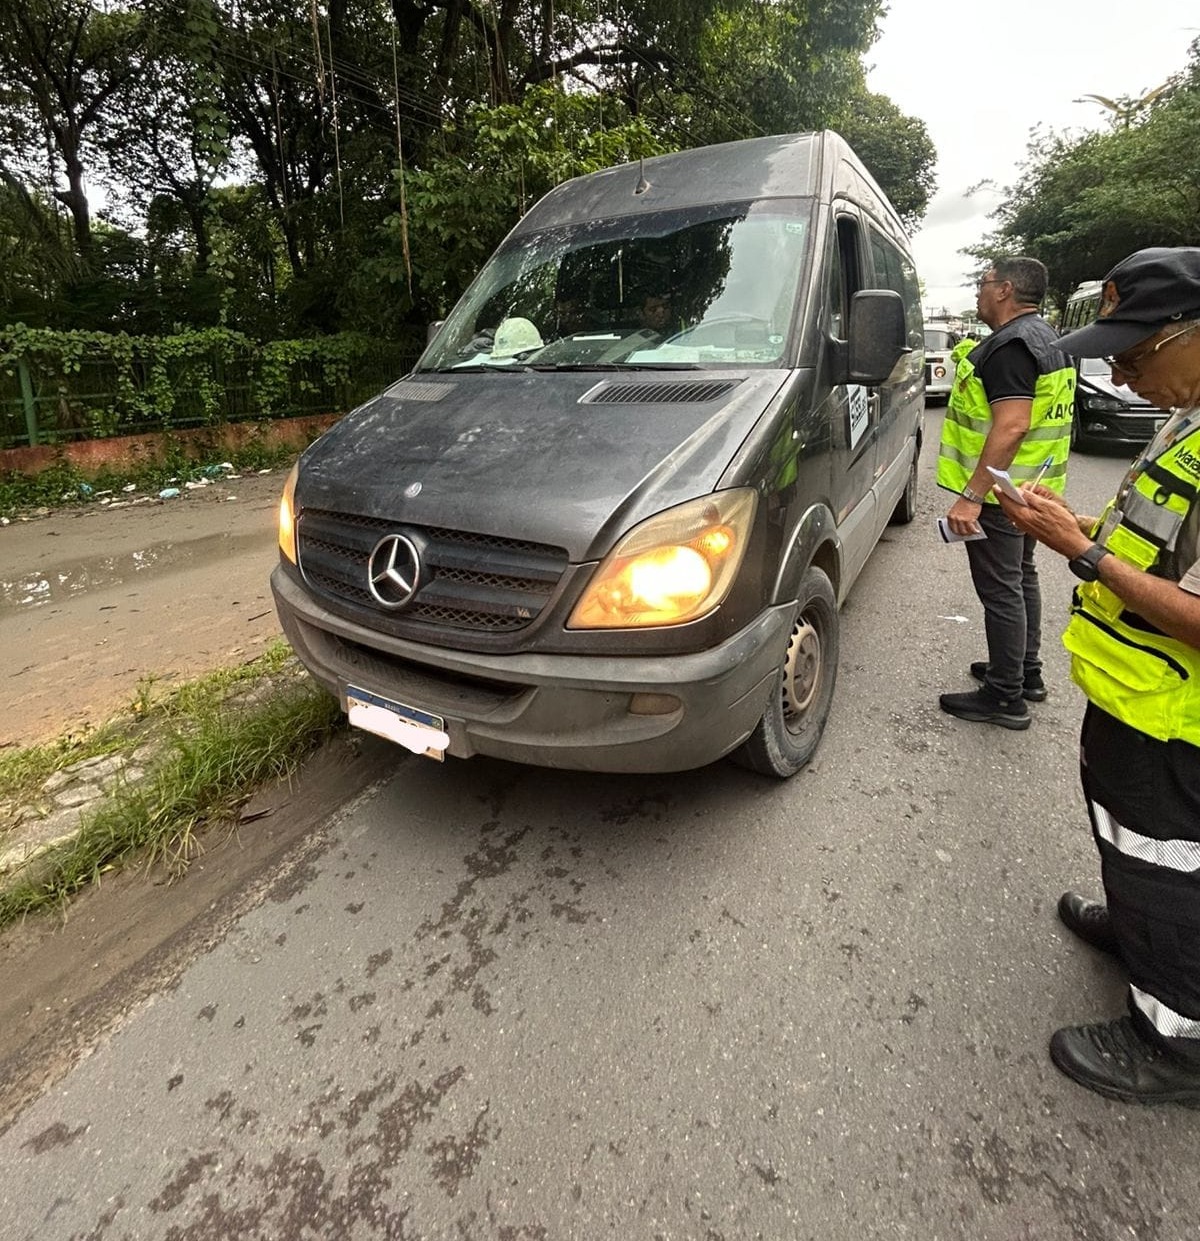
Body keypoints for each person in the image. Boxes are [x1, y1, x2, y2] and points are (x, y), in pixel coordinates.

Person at [996, 247, 1200, 1104]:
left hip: (1175, 721)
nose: (1117, 371)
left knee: (1167, 857)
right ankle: (1138, 927)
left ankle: (1174, 1043)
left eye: (1133, 350)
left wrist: (1080, 554)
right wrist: (1074, 521)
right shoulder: (1187, 415)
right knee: (1133, 847)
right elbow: (1161, 539)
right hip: (1133, 697)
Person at [936, 256, 1076, 729]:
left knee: (1001, 590)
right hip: (1035, 488)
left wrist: (973, 495)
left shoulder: (1011, 346)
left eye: (983, 283)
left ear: (1005, 290)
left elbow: (1012, 426)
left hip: (1001, 494)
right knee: (1022, 576)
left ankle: (1004, 695)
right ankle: (1024, 671)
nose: (978, 292)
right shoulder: (1051, 338)